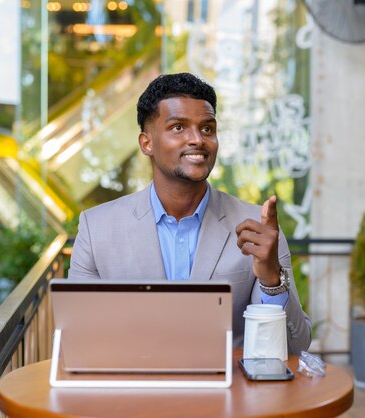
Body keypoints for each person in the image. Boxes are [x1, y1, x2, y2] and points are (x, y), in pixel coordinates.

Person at [68, 73, 312, 354]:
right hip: (133, 391)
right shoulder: (96, 228)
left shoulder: (259, 228)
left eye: (207, 129)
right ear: (147, 143)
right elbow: (80, 338)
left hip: (228, 394)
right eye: (178, 127)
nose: (197, 139)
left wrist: (271, 279)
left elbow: (296, 346)